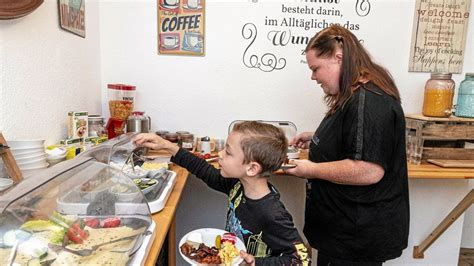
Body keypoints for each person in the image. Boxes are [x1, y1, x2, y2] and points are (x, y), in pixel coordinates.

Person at [284, 25, 409, 265]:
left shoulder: (369, 100)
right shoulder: (355, 94)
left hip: (356, 238)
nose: (313, 77)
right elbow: (355, 137)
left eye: (315, 68)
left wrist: (310, 169)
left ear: (338, 57)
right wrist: (319, 136)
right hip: (343, 233)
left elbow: (368, 170)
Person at [134, 121, 310, 265]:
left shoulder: (271, 212)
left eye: (228, 152)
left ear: (251, 168)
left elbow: (301, 259)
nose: (220, 154)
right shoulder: (238, 185)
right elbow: (205, 170)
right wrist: (167, 146)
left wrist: (255, 263)